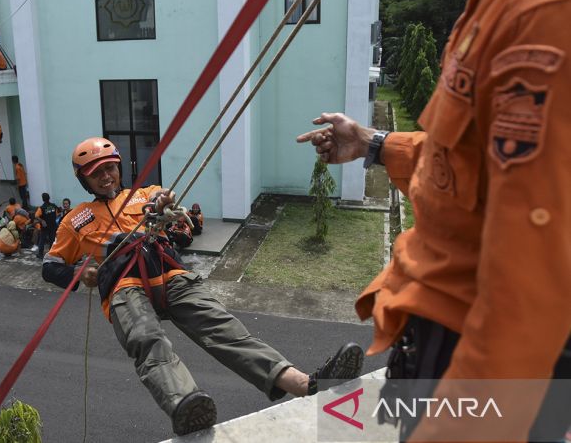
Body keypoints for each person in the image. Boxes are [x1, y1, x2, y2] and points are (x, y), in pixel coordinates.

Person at [297, 0, 571, 441]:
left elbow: (530, 283)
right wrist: (374, 143)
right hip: (446, 341)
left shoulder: (548, 9)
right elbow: (469, 158)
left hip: (473, 350)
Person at [42, 137, 365, 435]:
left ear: (120, 167)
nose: (106, 176)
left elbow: (161, 202)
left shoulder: (143, 194)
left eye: (109, 168)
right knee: (146, 339)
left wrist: (163, 203)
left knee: (224, 329)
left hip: (169, 273)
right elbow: (50, 265)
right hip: (124, 284)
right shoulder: (76, 220)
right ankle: (186, 403)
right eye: (96, 173)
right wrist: (78, 273)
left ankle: (305, 384)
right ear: (84, 179)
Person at [34, 192, 59, 259]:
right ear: (49, 198)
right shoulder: (54, 206)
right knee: (52, 240)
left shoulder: (41, 208)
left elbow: (36, 216)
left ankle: (40, 254)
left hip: (45, 227)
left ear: (43, 199)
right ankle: (51, 254)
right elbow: (57, 214)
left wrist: (42, 220)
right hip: (53, 225)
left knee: (42, 240)